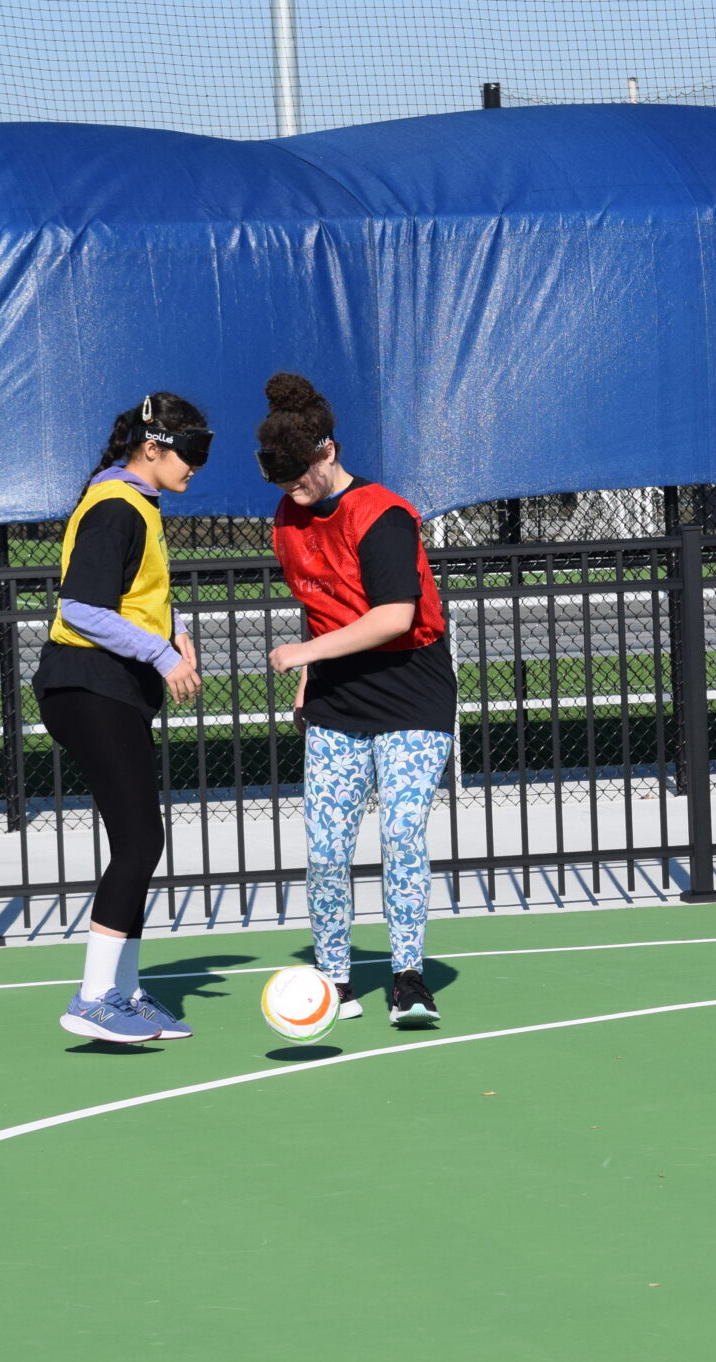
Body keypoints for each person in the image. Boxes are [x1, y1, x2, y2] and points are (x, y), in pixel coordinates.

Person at [257, 373, 453, 1028]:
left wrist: (302, 656)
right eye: (282, 480)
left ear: (328, 452)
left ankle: (407, 979)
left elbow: (395, 615)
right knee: (325, 847)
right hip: (339, 698)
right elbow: (322, 607)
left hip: (410, 691)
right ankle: (334, 981)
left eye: (301, 476)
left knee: (400, 832)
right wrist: (312, 677)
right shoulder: (288, 517)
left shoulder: (382, 516)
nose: (293, 490)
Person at [33, 392, 210, 1043]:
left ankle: (124, 992)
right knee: (139, 841)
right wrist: (162, 653)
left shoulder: (137, 504)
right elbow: (81, 608)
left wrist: (176, 633)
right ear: (152, 447)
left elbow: (136, 595)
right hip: (86, 685)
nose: (197, 465)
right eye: (191, 452)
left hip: (107, 688)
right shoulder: (115, 506)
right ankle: (95, 997)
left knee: (139, 841)